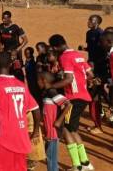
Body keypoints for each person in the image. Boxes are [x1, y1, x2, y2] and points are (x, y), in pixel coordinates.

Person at [48, 34, 95, 171]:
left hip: (74, 98)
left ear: (55, 47)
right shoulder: (77, 54)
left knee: (65, 129)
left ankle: (77, 165)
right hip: (84, 96)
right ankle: (85, 163)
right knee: (73, 130)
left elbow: (68, 79)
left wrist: (51, 86)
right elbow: (90, 75)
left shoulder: (65, 57)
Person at [38, 71, 69, 171]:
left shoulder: (52, 92)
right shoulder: (45, 93)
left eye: (38, 80)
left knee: (50, 157)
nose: (37, 83)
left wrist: (59, 121)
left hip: (53, 131)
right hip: (49, 130)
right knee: (50, 156)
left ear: (44, 80)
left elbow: (68, 104)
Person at [80, 15, 105, 135]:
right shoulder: (89, 33)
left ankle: (99, 123)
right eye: (89, 20)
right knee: (95, 95)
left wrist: (95, 66)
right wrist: (85, 49)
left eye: (91, 20)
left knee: (94, 95)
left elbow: (102, 52)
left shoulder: (101, 34)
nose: (88, 22)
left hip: (98, 68)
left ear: (97, 23)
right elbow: (91, 48)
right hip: (91, 65)